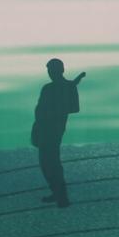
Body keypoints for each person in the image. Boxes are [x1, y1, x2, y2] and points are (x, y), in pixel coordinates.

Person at [32, 59, 86, 207]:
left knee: (52, 163)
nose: (50, 73)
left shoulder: (66, 87)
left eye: (53, 70)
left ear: (61, 70)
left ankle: (61, 196)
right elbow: (40, 109)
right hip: (42, 129)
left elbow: (74, 108)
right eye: (49, 70)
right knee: (46, 163)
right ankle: (57, 192)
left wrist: (57, 105)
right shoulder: (49, 88)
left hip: (53, 130)